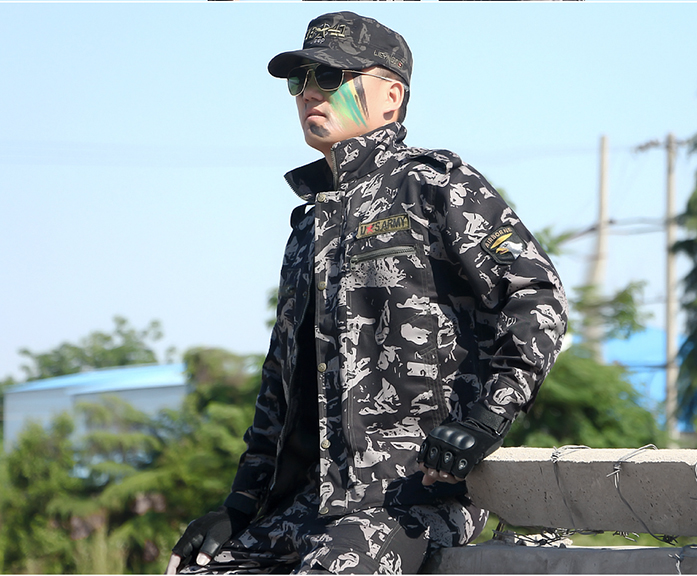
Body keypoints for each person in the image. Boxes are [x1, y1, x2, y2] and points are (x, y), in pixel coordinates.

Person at [167, 11, 567, 575]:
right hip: (308, 505)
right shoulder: (309, 225)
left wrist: (483, 421)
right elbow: (280, 383)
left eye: (330, 77)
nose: (309, 93)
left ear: (391, 98)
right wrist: (239, 506)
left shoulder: (435, 186)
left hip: (413, 497)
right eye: (299, 80)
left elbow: (537, 298)